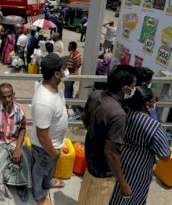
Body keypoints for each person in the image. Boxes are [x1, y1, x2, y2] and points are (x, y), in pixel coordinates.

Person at [78, 65, 136, 205]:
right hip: (103, 172)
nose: (134, 89)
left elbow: (84, 116)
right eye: (133, 86)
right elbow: (111, 153)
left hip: (90, 160)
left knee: (84, 199)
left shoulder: (95, 95)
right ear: (124, 88)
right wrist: (123, 183)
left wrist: (94, 133)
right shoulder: (118, 114)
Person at [109, 86, 171, 205]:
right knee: (131, 197)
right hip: (138, 170)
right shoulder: (154, 127)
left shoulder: (125, 114)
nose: (155, 103)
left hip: (120, 163)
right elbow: (165, 156)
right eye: (154, 101)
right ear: (147, 104)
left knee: (116, 196)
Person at [30, 53, 70, 205]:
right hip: (45, 147)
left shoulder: (55, 88)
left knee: (50, 166)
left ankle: (48, 182)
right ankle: (39, 195)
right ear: (56, 73)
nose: (66, 70)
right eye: (63, 68)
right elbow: (42, 135)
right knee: (40, 168)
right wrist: (53, 152)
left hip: (54, 144)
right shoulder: (44, 101)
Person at [64, 41, 82, 116]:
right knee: (70, 88)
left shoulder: (72, 55)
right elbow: (79, 64)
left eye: (69, 46)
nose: (68, 47)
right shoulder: (78, 53)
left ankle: (67, 104)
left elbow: (68, 66)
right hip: (74, 74)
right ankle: (69, 101)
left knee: (68, 89)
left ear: (73, 48)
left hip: (70, 75)